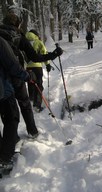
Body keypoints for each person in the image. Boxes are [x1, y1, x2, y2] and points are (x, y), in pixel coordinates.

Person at [0, 12, 63, 139]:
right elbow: (35, 57)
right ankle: (32, 131)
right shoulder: (18, 36)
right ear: (18, 24)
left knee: (6, 110)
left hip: (1, 78)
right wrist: (53, 54)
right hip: (17, 75)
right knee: (24, 103)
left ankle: (9, 140)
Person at [0, 36, 35, 168]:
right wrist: (27, 76)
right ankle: (5, 158)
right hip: (3, 90)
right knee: (12, 118)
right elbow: (12, 64)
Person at [25, 29, 52, 112]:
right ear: (36, 35)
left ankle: (31, 100)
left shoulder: (24, 42)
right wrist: (47, 64)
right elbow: (44, 53)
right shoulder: (38, 42)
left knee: (31, 83)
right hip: (37, 67)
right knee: (39, 84)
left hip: (27, 67)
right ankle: (37, 104)